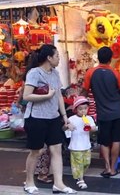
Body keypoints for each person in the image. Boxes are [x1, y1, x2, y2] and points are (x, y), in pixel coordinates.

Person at [22, 44, 76, 194]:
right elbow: (26, 96)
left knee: (56, 150)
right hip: (36, 117)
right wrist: (46, 96)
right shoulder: (34, 73)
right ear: (49, 58)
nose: (59, 58)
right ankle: (29, 182)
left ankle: (59, 184)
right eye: (57, 56)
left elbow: (58, 95)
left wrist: (64, 117)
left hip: (53, 117)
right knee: (36, 151)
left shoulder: (55, 73)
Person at [83, 46, 120, 178]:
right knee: (116, 140)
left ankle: (107, 167)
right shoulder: (115, 73)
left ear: (98, 57)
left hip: (102, 112)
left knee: (104, 141)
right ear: (111, 58)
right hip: (118, 112)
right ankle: (113, 168)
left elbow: (84, 92)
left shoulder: (90, 73)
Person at [66, 96, 97, 190]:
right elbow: (65, 129)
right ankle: (80, 179)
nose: (83, 111)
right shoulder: (72, 118)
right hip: (75, 146)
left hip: (86, 145)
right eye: (80, 109)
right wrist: (67, 126)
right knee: (78, 163)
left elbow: (94, 129)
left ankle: (79, 174)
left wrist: (90, 127)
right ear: (76, 109)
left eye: (85, 108)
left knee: (86, 162)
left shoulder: (89, 118)